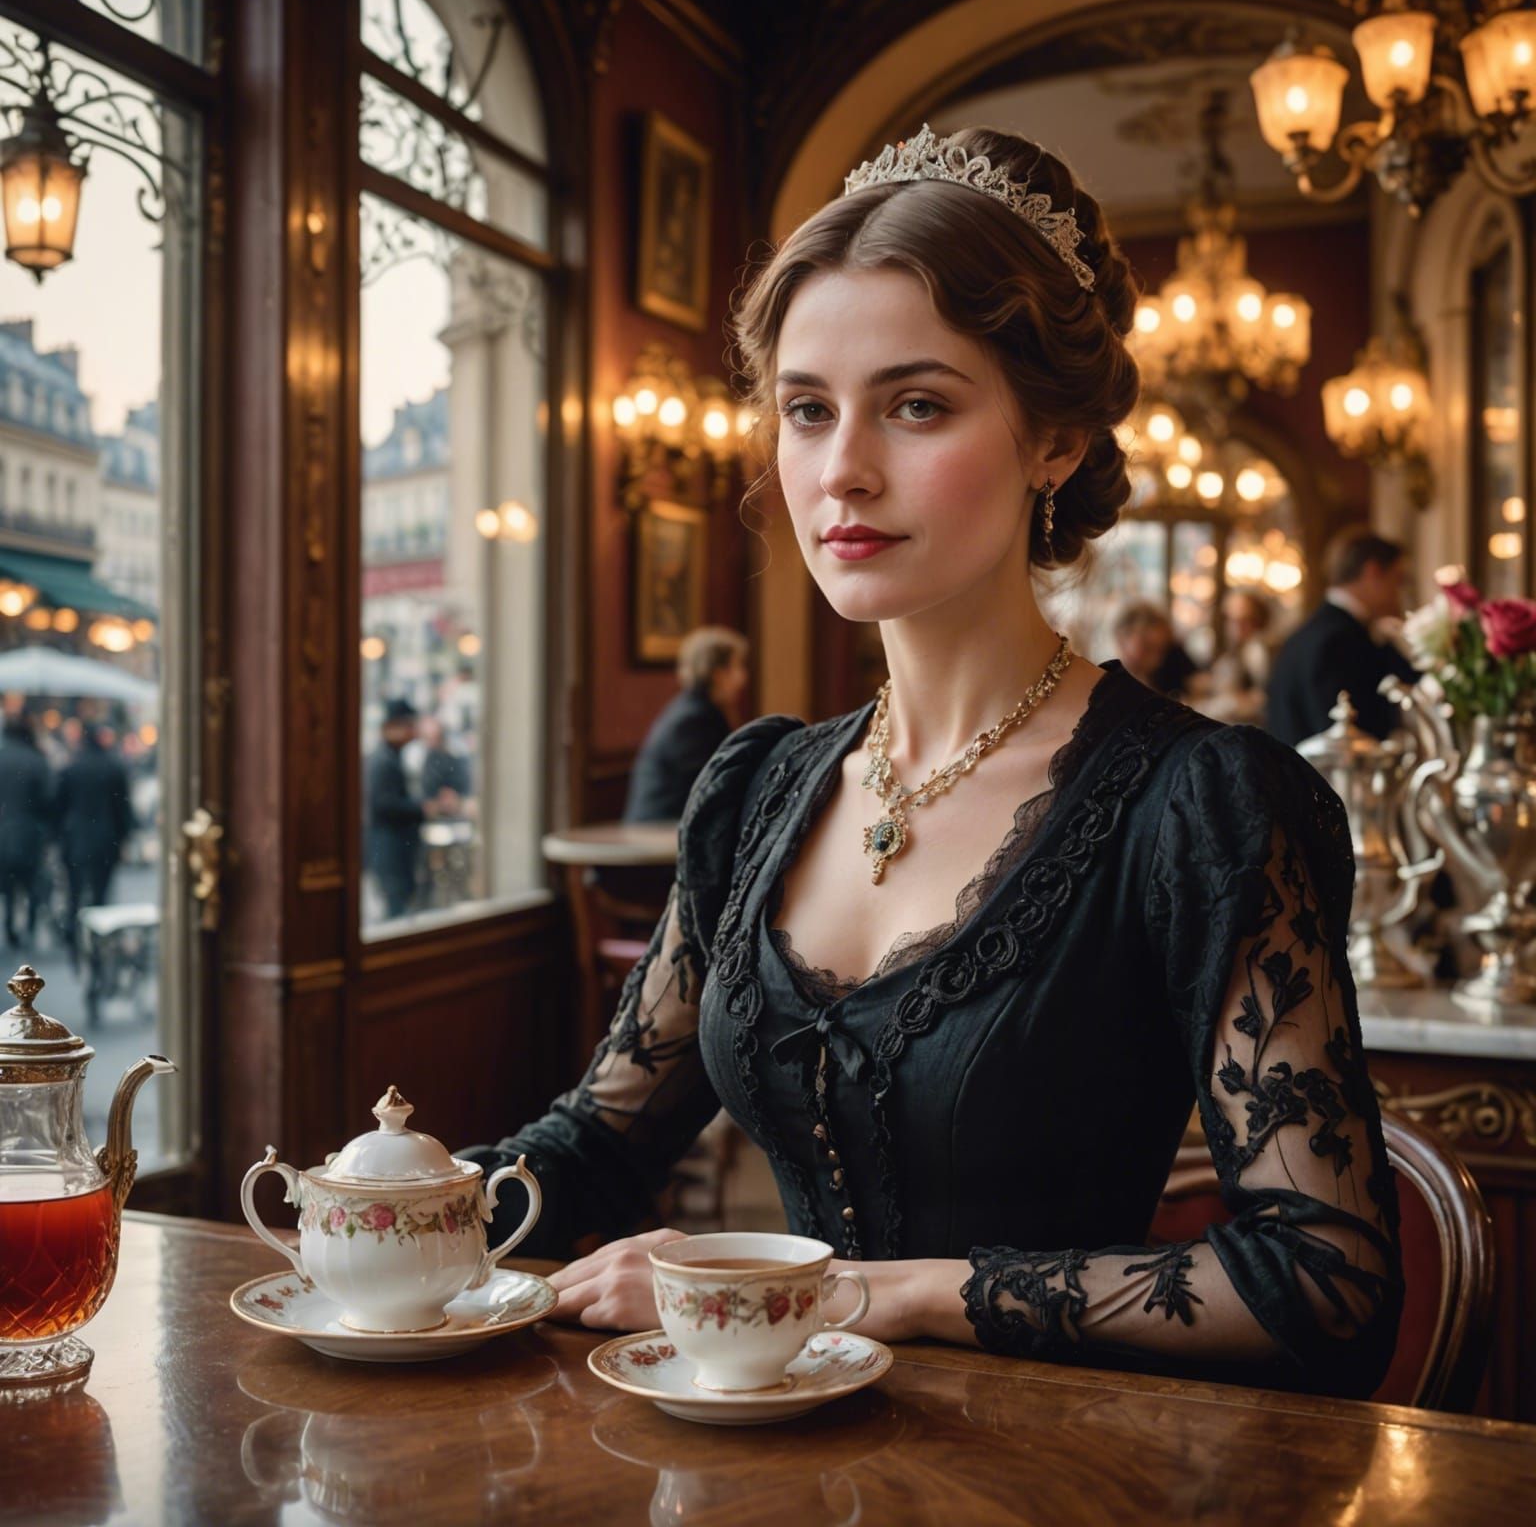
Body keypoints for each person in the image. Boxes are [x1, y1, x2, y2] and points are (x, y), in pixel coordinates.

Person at [461, 123, 1401, 1398]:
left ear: (1053, 440)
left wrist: (858, 1293)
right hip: (756, 1462)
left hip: (1057, 1481)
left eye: (916, 405)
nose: (841, 470)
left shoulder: (1205, 806)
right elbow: (590, 1149)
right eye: (806, 411)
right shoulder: (757, 795)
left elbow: (1326, 1283)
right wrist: (384, 1208)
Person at [1267, 529, 1418, 747]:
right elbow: (1342, 739)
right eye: (1398, 580)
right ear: (1373, 572)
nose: (1399, 593)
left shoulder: (1320, 630)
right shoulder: (1338, 639)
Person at [623, 626, 750, 823]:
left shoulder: (699, 710)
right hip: (658, 827)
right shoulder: (693, 719)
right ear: (718, 674)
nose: (743, 677)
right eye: (738, 666)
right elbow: (714, 784)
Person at [55, 724, 135, 957]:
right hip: (104, 838)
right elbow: (122, 809)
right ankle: (97, 940)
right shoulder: (113, 767)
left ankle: (73, 932)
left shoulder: (71, 768)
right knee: (101, 892)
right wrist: (123, 838)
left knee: (75, 891)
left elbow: (59, 807)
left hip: (76, 838)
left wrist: (60, 836)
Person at [366, 697, 431, 920]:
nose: (412, 731)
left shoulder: (389, 756)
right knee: (396, 910)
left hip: (394, 846)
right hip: (390, 847)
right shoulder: (383, 760)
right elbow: (384, 804)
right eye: (407, 725)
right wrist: (421, 808)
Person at [0, 712, 53, 948]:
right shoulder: (37, 760)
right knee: (31, 883)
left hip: (3, 831)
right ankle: (29, 927)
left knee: (8, 885)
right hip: (31, 832)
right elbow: (49, 798)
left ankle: (10, 927)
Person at [1200, 590, 1275, 727]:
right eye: (1230, 619)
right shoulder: (1235, 650)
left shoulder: (1258, 650)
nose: (1235, 626)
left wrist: (1227, 703)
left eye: (1244, 620)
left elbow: (1264, 697)